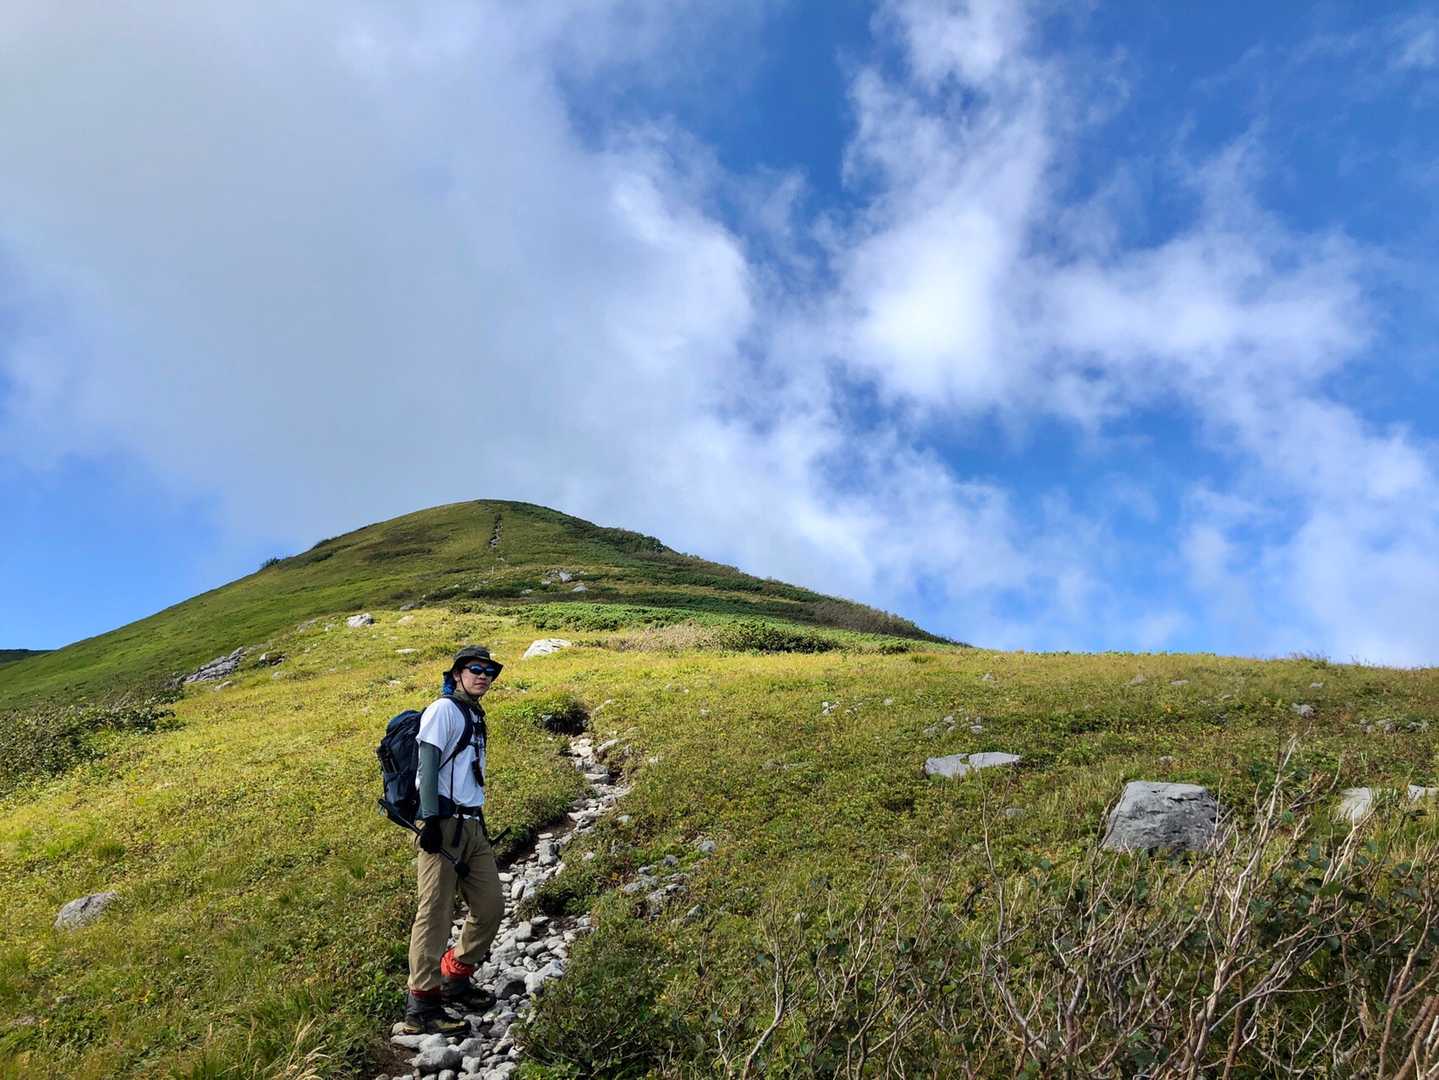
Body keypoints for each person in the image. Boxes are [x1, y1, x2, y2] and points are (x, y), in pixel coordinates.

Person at [402, 645, 507, 1035]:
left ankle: (455, 976)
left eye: (489, 672)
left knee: (491, 906)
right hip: (442, 824)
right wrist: (429, 819)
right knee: (434, 913)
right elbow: (428, 764)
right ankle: (421, 1005)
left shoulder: (474, 715)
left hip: (472, 825)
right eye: (475, 669)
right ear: (458, 674)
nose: (483, 676)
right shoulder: (443, 710)